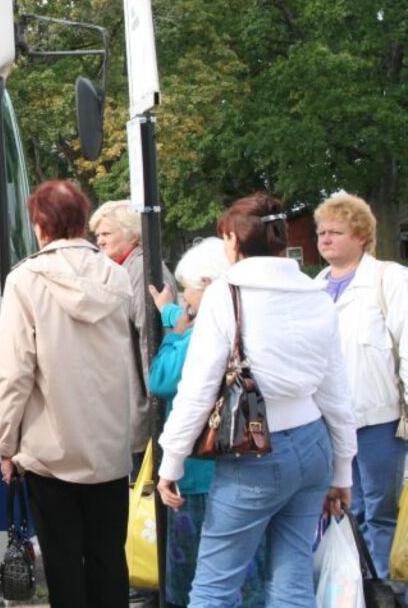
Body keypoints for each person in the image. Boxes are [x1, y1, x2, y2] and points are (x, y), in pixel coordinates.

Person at [156, 193, 357, 607]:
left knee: (214, 585)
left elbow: (197, 391)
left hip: (254, 455)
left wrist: (171, 461)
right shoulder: (315, 292)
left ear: (232, 240)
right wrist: (343, 471)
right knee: (293, 577)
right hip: (313, 445)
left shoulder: (226, 295)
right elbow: (336, 391)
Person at [0, 180, 136, 608]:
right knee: (110, 558)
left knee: (63, 563)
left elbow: (14, 371)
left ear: (40, 224)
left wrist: (4, 443)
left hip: (50, 452)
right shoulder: (117, 275)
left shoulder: (25, 279)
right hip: (109, 449)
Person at [147, 238, 265, 607]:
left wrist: (172, 331)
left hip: (201, 467)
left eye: (188, 290)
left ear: (208, 285)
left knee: (198, 570)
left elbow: (163, 379)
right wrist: (171, 314)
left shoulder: (200, 331)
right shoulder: (255, 316)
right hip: (252, 460)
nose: (186, 300)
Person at [314, 193, 408, 578]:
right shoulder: (314, 286)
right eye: (321, 232)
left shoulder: (390, 278)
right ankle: (353, 588)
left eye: (336, 232)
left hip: (377, 418)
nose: (325, 239)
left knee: (379, 508)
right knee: (342, 509)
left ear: (361, 236)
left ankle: (384, 588)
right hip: (329, 422)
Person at [90, 200, 177, 474]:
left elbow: (149, 339)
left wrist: (151, 406)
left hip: (143, 405)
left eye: (107, 234)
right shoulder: (125, 268)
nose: (100, 241)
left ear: (131, 233)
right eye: (97, 235)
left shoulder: (140, 269)